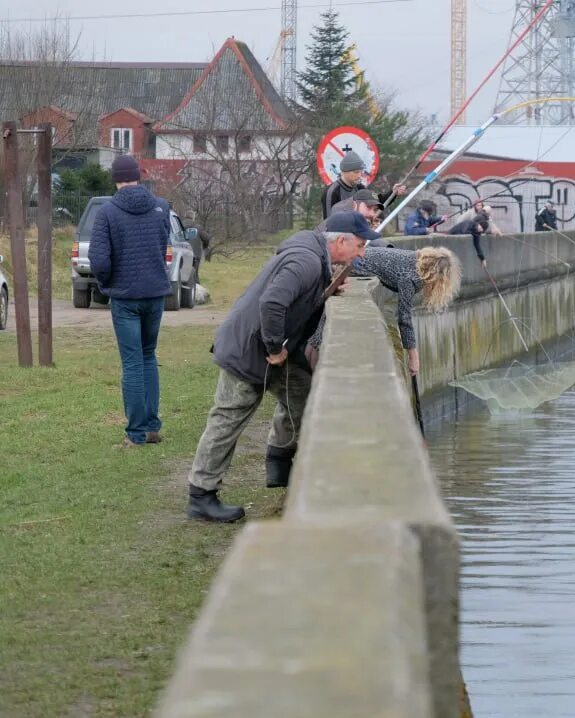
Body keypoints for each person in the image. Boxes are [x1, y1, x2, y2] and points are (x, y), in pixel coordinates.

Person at [185, 211, 377, 523]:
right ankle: (201, 494)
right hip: (249, 350)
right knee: (227, 419)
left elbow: (294, 297)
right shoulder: (306, 261)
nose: (362, 253)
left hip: (269, 350)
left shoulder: (314, 258)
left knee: (303, 396)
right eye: (360, 245)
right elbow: (272, 303)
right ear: (340, 241)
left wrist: (324, 293)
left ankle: (282, 462)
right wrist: (274, 348)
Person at [89, 154, 173, 448]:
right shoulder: (160, 207)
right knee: (148, 356)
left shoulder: (108, 212)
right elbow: (163, 246)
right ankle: (151, 426)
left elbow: (99, 260)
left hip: (125, 298)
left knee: (132, 362)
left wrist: (106, 282)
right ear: (139, 176)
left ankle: (136, 433)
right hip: (155, 294)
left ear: (115, 179)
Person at [306, 245, 461, 379]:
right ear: (437, 276)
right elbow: (404, 318)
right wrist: (414, 357)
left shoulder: (412, 259)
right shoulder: (412, 277)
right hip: (351, 267)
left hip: (350, 262)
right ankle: (312, 377)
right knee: (319, 338)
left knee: (318, 332)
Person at [321, 151, 407, 220]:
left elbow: (379, 201)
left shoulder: (360, 188)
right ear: (344, 172)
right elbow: (329, 222)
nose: (359, 175)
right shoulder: (332, 192)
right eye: (356, 172)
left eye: (361, 172)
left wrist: (393, 192)